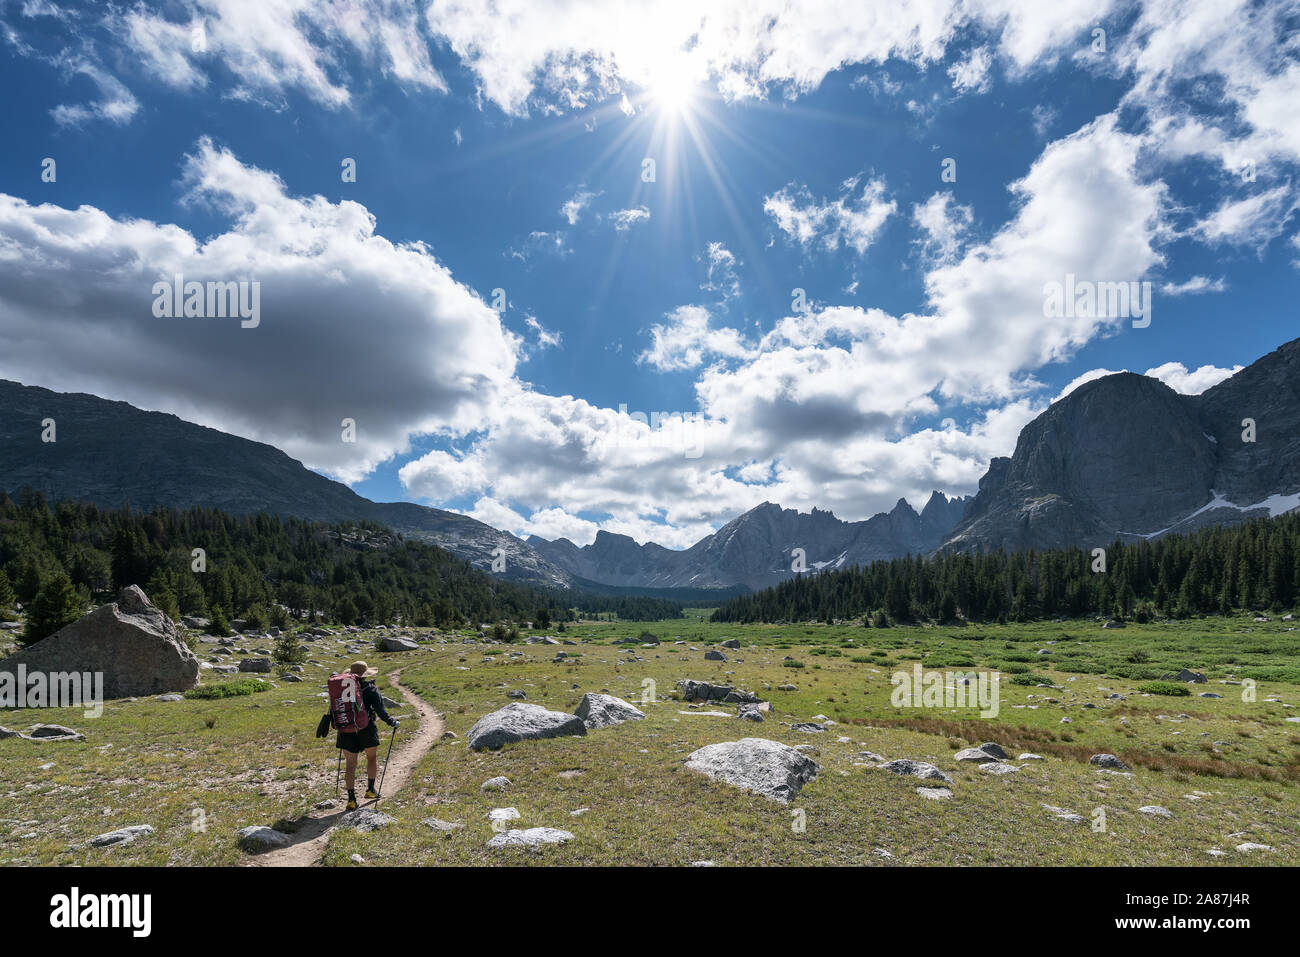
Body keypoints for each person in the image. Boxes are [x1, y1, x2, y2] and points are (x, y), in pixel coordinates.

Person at [335, 661, 398, 810]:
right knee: (371, 758)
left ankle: (351, 799)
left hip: (346, 729)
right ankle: (370, 790)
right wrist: (392, 722)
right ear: (365, 674)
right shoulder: (370, 689)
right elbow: (381, 711)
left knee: (350, 765)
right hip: (367, 728)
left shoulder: (341, 689)